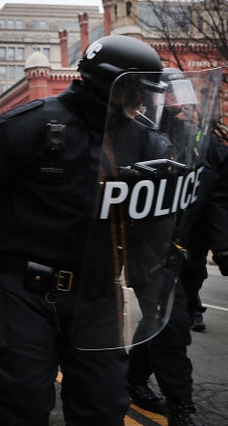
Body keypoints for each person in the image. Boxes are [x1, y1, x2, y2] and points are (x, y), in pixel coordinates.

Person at [0, 35, 172, 425]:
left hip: (99, 293)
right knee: (25, 403)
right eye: (137, 91)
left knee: (103, 404)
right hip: (26, 290)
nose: (143, 102)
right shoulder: (26, 126)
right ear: (110, 85)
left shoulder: (143, 139)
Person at [125, 67, 218, 426]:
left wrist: (219, 245)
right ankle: (182, 405)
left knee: (159, 319)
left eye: (183, 94)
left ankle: (131, 377)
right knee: (172, 322)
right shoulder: (132, 135)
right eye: (170, 95)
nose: (180, 103)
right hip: (144, 247)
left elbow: (212, 193)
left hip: (181, 246)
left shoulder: (193, 136)